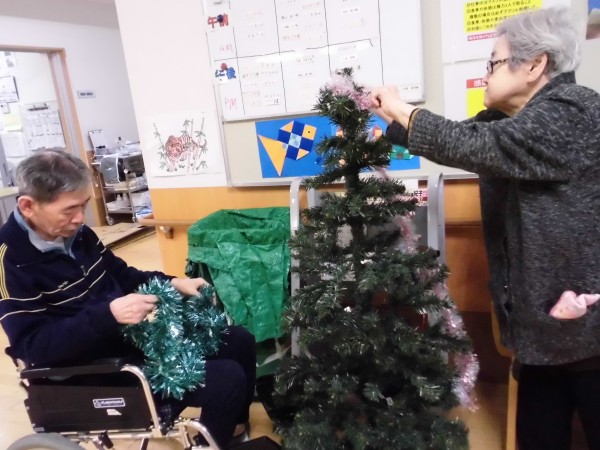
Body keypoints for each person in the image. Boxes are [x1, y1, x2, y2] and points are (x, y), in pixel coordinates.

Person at [370, 7, 600, 450]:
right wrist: (393, 119)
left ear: (535, 65)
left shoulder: (572, 111)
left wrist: (403, 108)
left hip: (587, 329)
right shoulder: (513, 120)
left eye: (494, 63)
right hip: (544, 329)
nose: (486, 74)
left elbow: (476, 144)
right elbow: (461, 138)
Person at [0, 150, 256, 449]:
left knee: (238, 340)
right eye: (69, 210)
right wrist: (108, 315)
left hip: (130, 341)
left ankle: (231, 430)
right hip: (91, 371)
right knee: (225, 378)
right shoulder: (10, 262)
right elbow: (33, 348)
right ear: (28, 206)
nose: (80, 218)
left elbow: (122, 275)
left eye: (83, 205)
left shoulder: (79, 235)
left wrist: (174, 283)